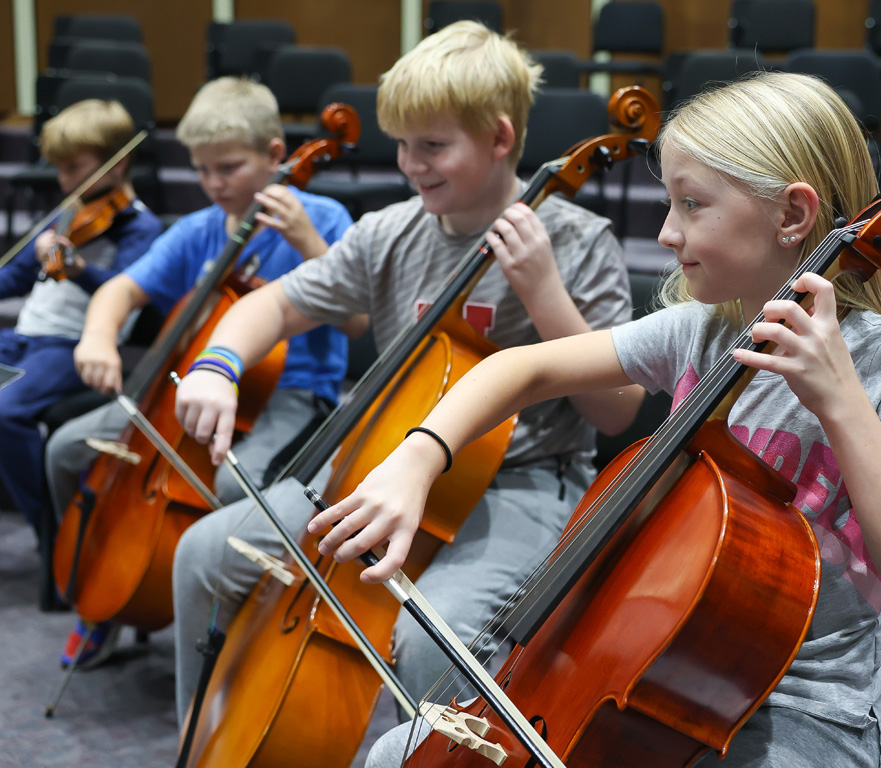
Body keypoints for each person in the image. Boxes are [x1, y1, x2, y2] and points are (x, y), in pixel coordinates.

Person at [344, 72, 881, 768]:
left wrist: (839, 401)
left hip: (804, 715)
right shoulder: (701, 331)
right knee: (393, 755)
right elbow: (515, 369)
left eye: (691, 204)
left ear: (791, 215)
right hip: (641, 673)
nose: (666, 232)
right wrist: (417, 458)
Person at [169, 19, 641, 737]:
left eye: (433, 146)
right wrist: (216, 364)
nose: (409, 164)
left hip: (520, 479)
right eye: (401, 144)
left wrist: (544, 291)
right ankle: (203, 743)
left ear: (500, 138)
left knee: (431, 637)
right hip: (381, 464)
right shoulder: (388, 231)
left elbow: (614, 412)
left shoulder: (578, 241)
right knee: (203, 552)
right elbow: (273, 304)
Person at [44, 77, 353, 668]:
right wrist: (99, 336)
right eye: (203, 170)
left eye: (229, 167)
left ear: (274, 154)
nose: (214, 184)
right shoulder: (201, 228)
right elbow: (120, 290)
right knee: (65, 449)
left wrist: (309, 242)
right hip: (186, 388)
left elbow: (362, 321)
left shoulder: (326, 217)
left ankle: (229, 635)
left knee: (231, 488)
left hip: (292, 394)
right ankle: (97, 596)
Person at [0, 99, 161, 537]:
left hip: (72, 345)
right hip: (24, 338)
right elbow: (15, 276)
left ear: (117, 163)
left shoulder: (140, 227)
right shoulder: (67, 213)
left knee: (5, 411)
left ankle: (51, 529)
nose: (65, 180)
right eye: (60, 168)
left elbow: (128, 290)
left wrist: (81, 269)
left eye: (76, 167)